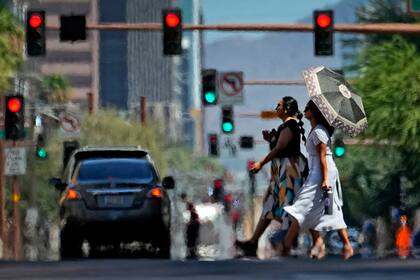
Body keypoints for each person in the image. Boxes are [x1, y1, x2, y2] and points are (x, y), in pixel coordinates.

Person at [235, 96, 306, 257]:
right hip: (281, 172)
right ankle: (253, 242)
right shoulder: (285, 127)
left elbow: (280, 148)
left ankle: (289, 242)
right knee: (269, 207)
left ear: (287, 109)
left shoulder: (291, 125)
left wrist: (261, 163)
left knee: (290, 207)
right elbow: (279, 145)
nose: (276, 108)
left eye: (279, 105)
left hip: (289, 172)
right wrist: (271, 140)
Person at [282, 100, 353, 260]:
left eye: (308, 108)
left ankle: (286, 245)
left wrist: (325, 179)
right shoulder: (315, 130)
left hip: (322, 172)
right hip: (318, 171)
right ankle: (343, 245)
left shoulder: (320, 131)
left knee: (301, 206)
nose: (305, 110)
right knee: (329, 209)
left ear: (314, 112)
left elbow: (322, 156)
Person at [180, 192, 200, 259]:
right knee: (190, 238)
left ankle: (191, 251)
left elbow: (194, 214)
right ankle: (191, 251)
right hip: (191, 224)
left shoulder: (188, 204)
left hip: (192, 224)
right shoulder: (187, 204)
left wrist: (192, 221)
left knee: (191, 237)